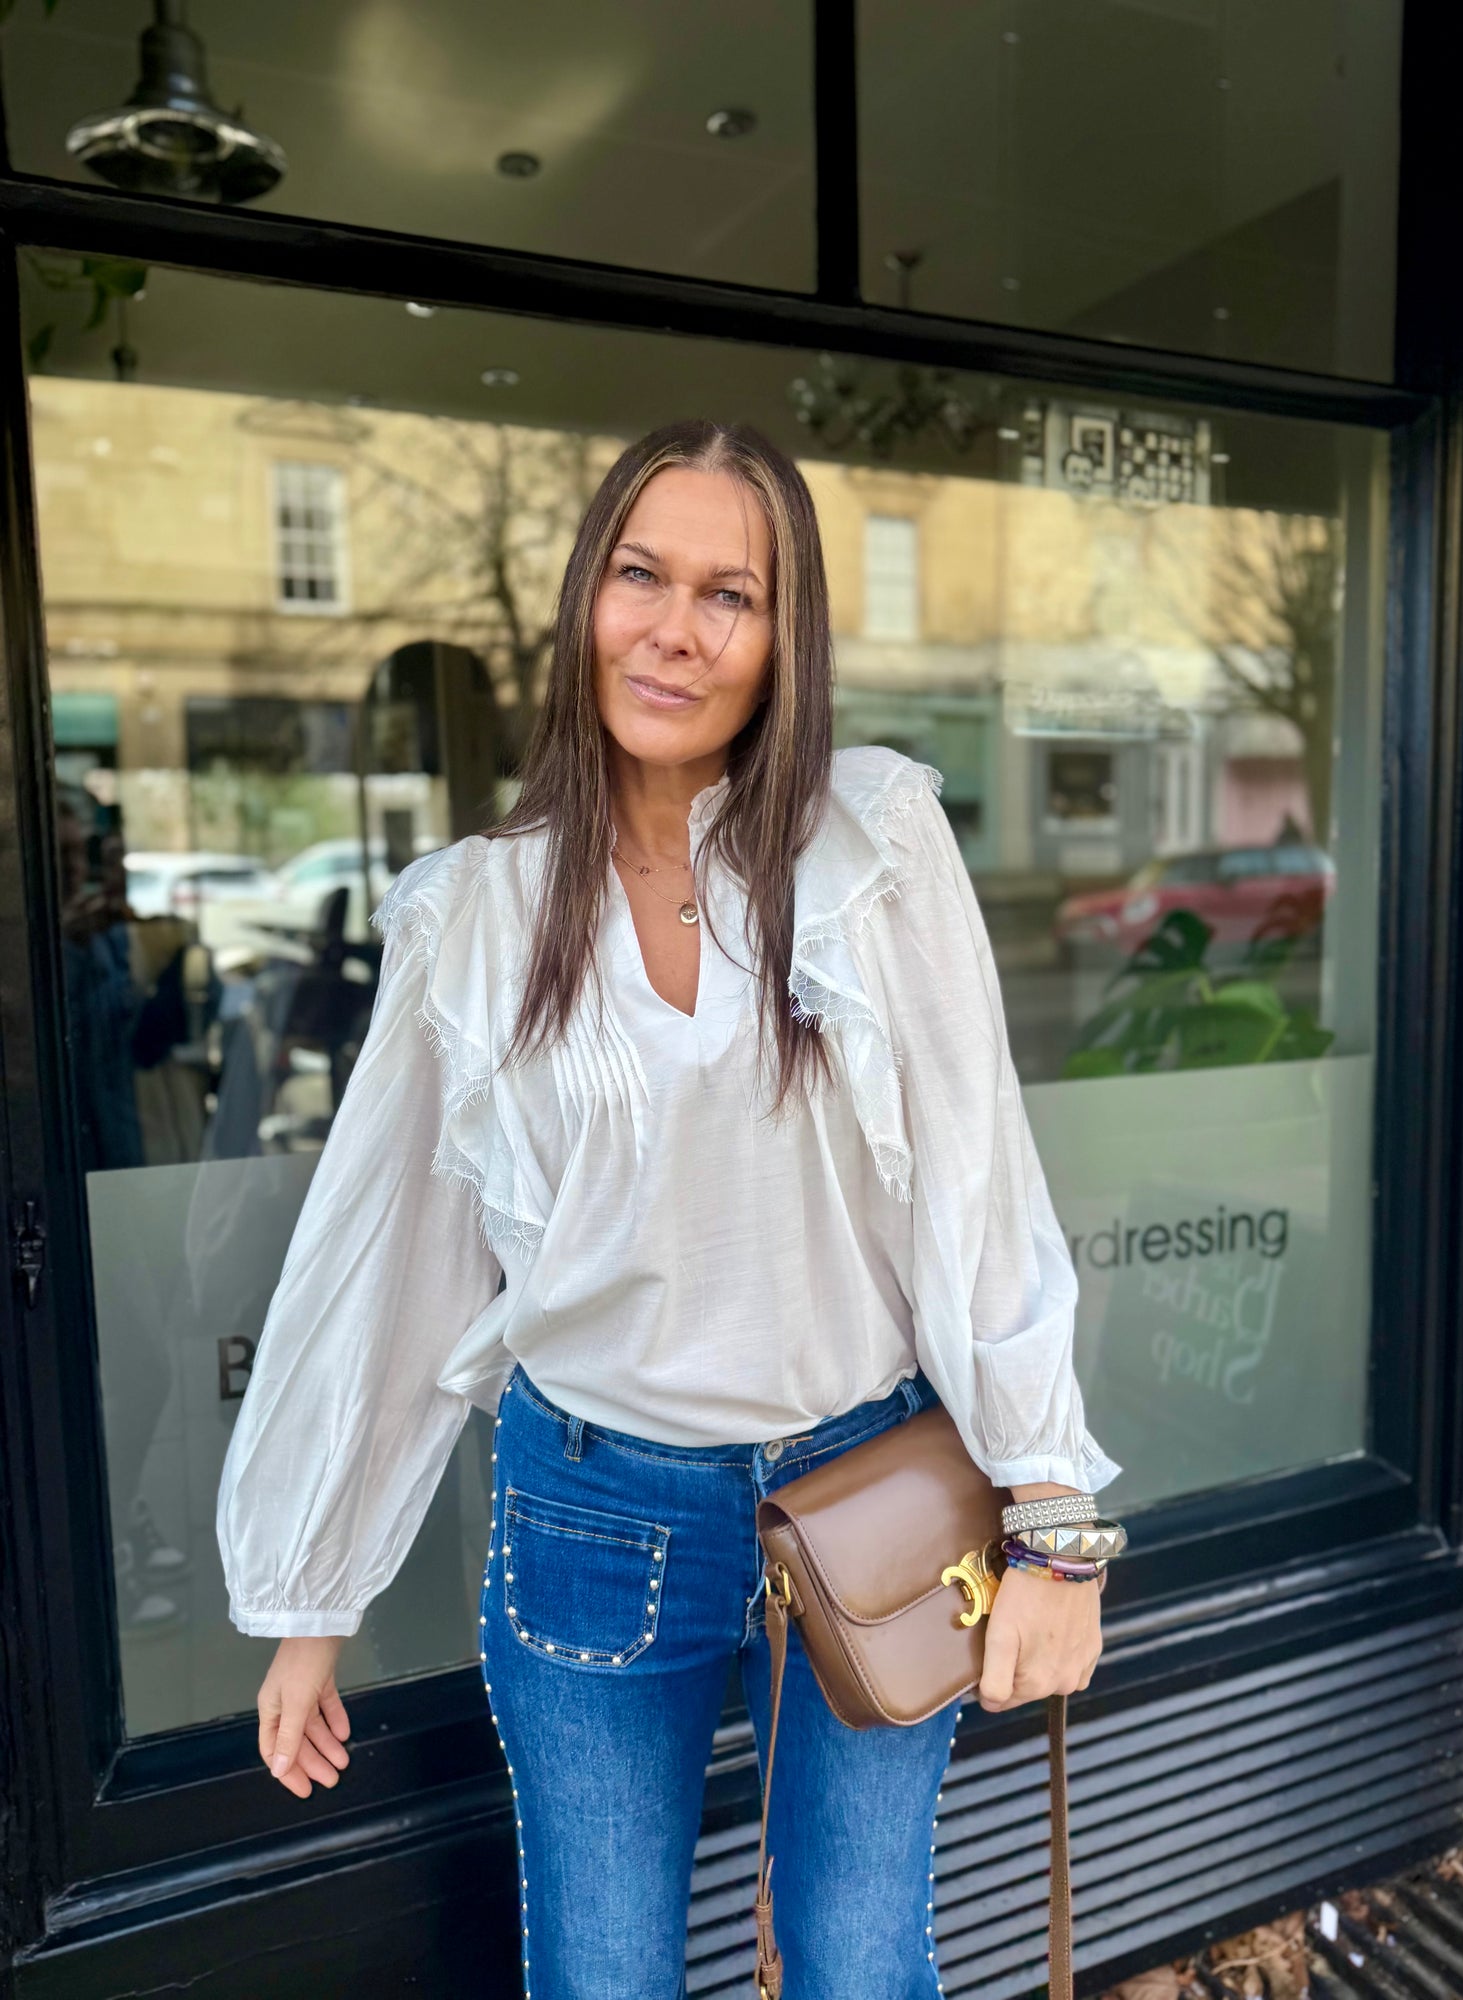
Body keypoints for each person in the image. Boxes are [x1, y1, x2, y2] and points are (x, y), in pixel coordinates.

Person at [216, 417, 1120, 1998]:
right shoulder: (472, 915)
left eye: (731, 594)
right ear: (587, 597)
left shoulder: (873, 845)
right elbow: (388, 1261)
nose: (675, 630)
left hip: (867, 1484)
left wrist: (1054, 1522)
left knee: (860, 1966)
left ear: (784, 639)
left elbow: (980, 1188)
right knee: (603, 1975)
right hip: (591, 1507)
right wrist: (312, 1597)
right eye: (641, 575)